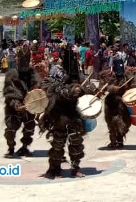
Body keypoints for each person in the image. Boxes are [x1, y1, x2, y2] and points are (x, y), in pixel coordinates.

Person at [40, 45, 95, 178]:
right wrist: (68, 91)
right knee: (57, 144)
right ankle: (54, 168)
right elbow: (48, 88)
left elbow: (91, 88)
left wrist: (81, 90)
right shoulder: (56, 73)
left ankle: (75, 168)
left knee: (76, 143)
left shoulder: (80, 76)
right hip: (59, 115)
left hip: (75, 115)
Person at [2, 57, 41, 157]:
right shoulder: (12, 74)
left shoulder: (32, 74)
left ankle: (24, 147)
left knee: (29, 128)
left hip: (29, 105)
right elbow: (9, 91)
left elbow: (37, 87)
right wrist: (16, 103)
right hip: (14, 106)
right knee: (10, 129)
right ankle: (11, 148)